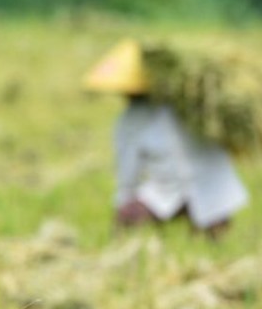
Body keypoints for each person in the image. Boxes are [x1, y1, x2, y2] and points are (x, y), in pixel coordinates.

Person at [83, 39, 249, 239]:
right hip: (211, 186)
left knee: (126, 217)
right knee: (212, 236)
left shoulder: (132, 121)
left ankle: (130, 253)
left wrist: (124, 202)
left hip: (177, 189)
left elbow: (128, 171)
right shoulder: (188, 104)